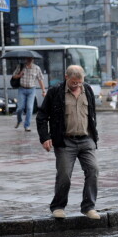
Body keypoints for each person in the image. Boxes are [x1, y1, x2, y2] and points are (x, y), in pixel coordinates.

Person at [36, 65, 99, 220]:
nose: (77, 85)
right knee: (64, 175)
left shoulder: (88, 90)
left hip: (86, 139)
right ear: (66, 77)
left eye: (79, 82)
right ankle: (58, 206)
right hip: (65, 141)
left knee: (93, 170)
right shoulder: (55, 92)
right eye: (73, 82)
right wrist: (45, 137)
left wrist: (93, 134)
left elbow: (92, 114)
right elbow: (42, 116)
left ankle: (88, 207)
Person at [12, 57, 46, 131]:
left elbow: (40, 80)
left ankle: (27, 125)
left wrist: (43, 90)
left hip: (31, 90)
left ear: (33, 60)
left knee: (30, 108)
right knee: (20, 108)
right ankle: (19, 120)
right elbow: (14, 76)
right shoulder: (21, 66)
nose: (29, 60)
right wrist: (19, 75)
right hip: (22, 89)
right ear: (26, 59)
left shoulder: (37, 68)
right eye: (28, 59)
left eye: (31, 59)